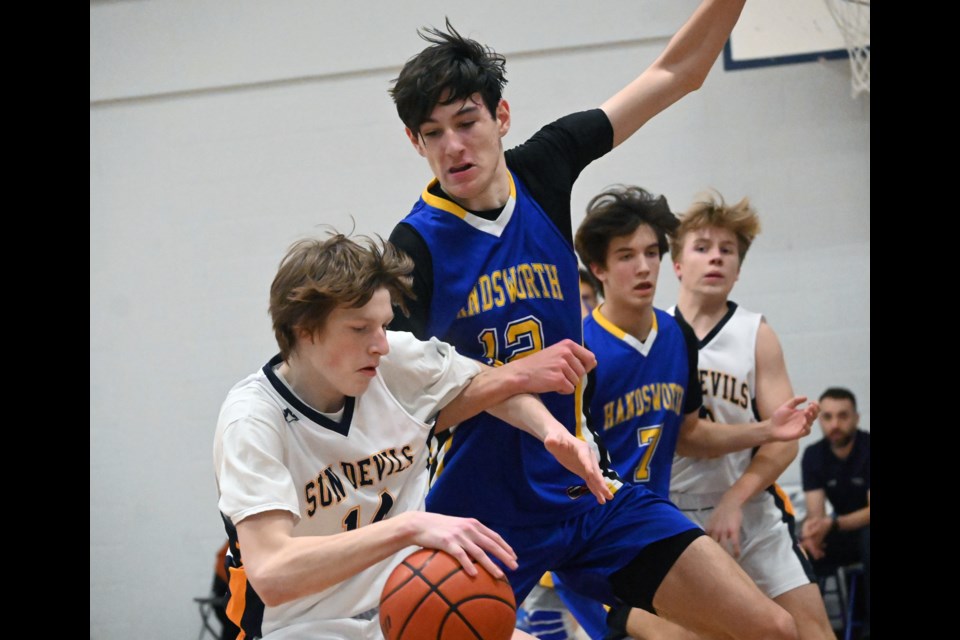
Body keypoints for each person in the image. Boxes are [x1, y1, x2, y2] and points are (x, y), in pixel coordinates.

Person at [386, 4, 806, 639]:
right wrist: (509, 377)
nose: (452, 146)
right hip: (481, 515)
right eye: (431, 132)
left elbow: (678, 71)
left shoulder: (545, 168)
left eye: (466, 121)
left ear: (500, 117)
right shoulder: (415, 247)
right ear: (415, 142)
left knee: (771, 630)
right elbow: (405, 414)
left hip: (587, 493)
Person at [212, 232, 610, 639]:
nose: (381, 345)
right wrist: (408, 528)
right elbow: (272, 574)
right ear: (304, 329)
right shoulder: (253, 419)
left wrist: (551, 432)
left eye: (383, 325)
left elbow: (484, 381)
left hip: (406, 607)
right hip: (302, 629)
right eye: (360, 328)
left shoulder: (392, 363)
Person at [567, 185, 817, 640]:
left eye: (650, 253)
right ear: (599, 268)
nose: (643, 267)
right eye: (626, 256)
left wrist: (767, 428)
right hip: (600, 543)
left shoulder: (676, 337)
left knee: (783, 629)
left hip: (660, 528)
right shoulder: (581, 351)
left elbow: (689, 434)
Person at [666, 190, 837, 640]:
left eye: (727, 251)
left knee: (812, 633)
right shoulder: (654, 332)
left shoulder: (755, 333)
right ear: (677, 264)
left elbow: (785, 438)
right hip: (673, 513)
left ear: (739, 270)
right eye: (702, 248)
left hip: (749, 507)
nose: (716, 258)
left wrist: (735, 499)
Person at [801, 387, 870, 639]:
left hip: (863, 532)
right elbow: (815, 514)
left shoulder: (867, 447)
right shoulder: (813, 455)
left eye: (843, 416)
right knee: (801, 549)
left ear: (856, 418)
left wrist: (831, 523)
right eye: (828, 417)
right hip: (840, 533)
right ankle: (811, 629)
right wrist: (812, 535)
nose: (835, 424)